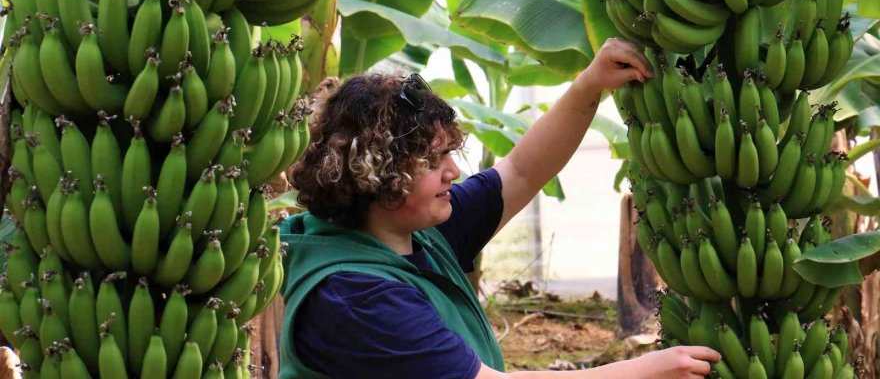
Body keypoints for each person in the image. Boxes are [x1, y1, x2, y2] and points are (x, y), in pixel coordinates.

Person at [278, 38, 722, 378]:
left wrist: (592, 83)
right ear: (374, 174)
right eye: (432, 161)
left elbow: (522, 172)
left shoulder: (410, 232)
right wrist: (645, 370)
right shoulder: (354, 296)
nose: (453, 171)